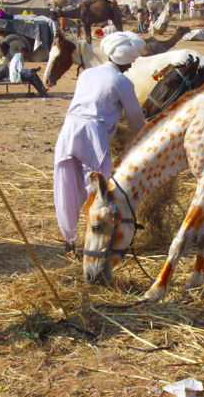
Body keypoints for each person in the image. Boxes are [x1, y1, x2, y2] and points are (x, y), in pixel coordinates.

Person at [53, 32, 147, 254]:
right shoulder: (122, 81)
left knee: (67, 187)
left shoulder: (88, 74)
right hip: (93, 135)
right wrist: (148, 140)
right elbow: (135, 119)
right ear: (127, 61)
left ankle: (69, 242)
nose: (131, 67)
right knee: (99, 191)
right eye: (131, 63)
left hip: (69, 130)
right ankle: (96, 242)